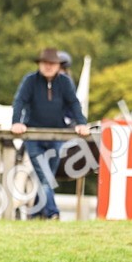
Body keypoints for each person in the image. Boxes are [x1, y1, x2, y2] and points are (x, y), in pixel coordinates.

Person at [10, 47, 90, 220]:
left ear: (58, 66)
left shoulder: (65, 82)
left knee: (46, 176)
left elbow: (74, 104)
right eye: (45, 63)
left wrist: (81, 123)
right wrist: (16, 122)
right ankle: (53, 212)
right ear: (39, 64)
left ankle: (37, 212)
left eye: (52, 64)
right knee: (45, 176)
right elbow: (19, 101)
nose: (48, 67)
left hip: (56, 135)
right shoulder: (30, 81)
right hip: (34, 136)